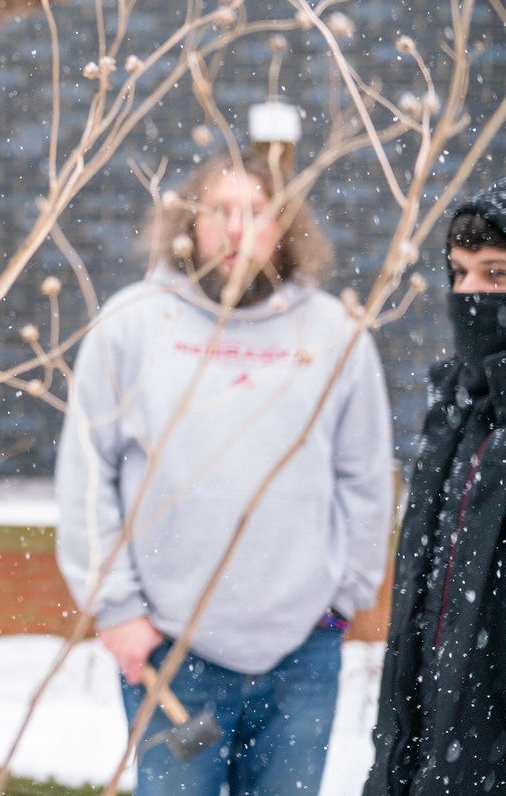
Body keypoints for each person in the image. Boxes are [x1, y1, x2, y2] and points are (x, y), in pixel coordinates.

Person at [55, 151, 393, 795]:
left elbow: (366, 477)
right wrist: (117, 609)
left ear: (285, 226)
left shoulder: (334, 335)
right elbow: (86, 477)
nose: (237, 229)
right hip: (171, 653)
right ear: (188, 222)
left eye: (257, 212)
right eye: (220, 211)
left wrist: (341, 602)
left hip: (302, 653)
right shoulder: (133, 325)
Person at [365, 178, 506, 794]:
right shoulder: (455, 405)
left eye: (495, 275)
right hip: (431, 730)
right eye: (459, 273)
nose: (469, 293)